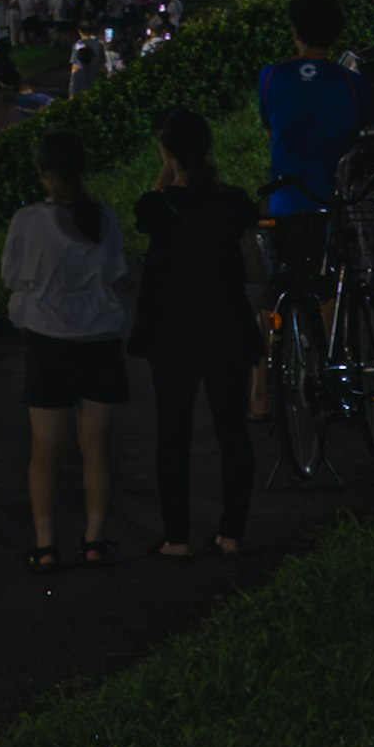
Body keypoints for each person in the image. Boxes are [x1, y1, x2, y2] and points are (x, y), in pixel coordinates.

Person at [133, 101, 260, 556]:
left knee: (174, 432)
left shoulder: (156, 207)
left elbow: (147, 211)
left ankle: (176, 535)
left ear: (167, 153)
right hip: (227, 324)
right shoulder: (234, 203)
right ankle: (231, 533)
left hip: (173, 331)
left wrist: (167, 175)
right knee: (232, 430)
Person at [4, 120, 132, 565]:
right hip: (99, 340)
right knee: (96, 449)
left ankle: (45, 545)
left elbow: (11, 276)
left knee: (45, 453)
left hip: (47, 342)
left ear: (43, 171)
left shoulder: (27, 221)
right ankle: (94, 540)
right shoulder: (104, 218)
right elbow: (117, 272)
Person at [254, 0, 364, 343]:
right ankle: (330, 362)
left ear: (295, 31)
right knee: (330, 287)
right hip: (334, 207)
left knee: (275, 289)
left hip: (286, 203)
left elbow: (273, 133)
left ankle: (260, 390)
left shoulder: (271, 77)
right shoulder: (352, 85)